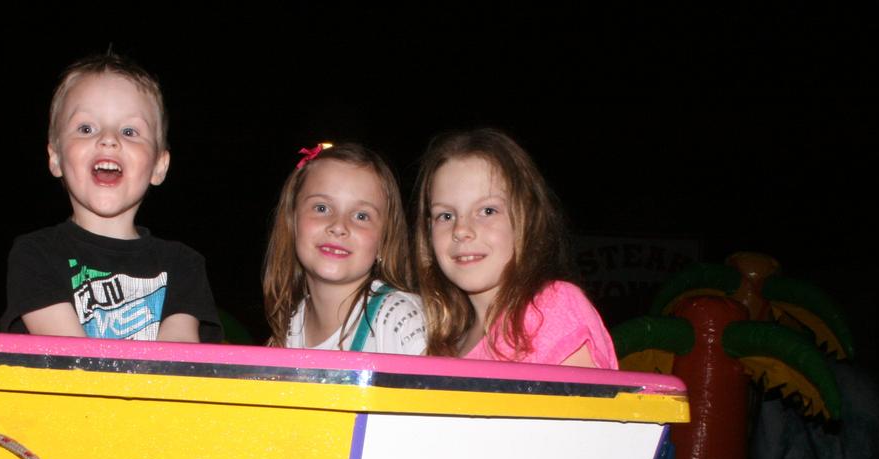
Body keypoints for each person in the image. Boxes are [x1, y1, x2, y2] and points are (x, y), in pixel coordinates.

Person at [0, 53, 221, 342]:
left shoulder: (184, 265)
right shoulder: (35, 255)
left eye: (129, 131)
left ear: (158, 166)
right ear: (55, 158)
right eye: (86, 128)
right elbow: (70, 359)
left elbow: (175, 366)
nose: (108, 139)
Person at [412, 129, 616, 368]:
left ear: (526, 219)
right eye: (445, 215)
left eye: (487, 211)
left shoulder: (552, 309)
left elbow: (587, 405)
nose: (461, 229)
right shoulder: (443, 346)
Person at [262, 143, 425, 354]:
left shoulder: (400, 320)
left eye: (361, 216)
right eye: (321, 208)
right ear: (291, 222)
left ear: (384, 241)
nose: (339, 226)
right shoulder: (290, 327)